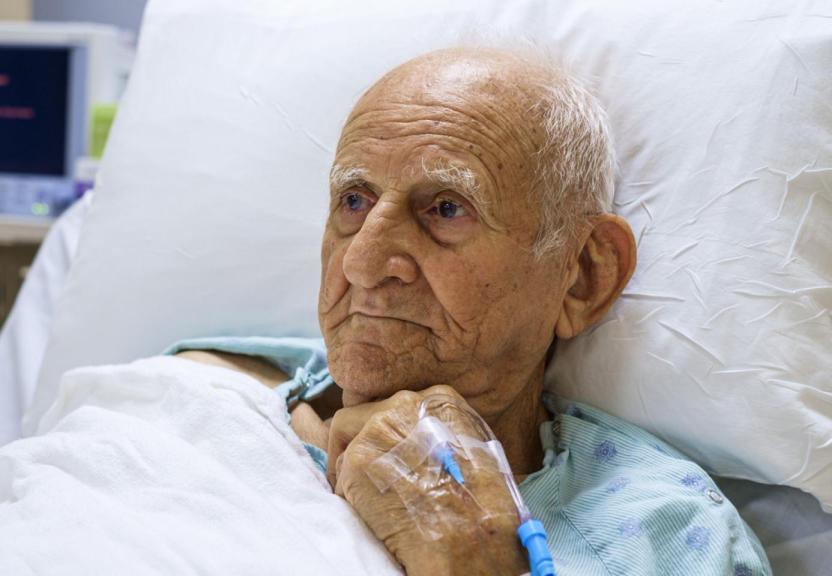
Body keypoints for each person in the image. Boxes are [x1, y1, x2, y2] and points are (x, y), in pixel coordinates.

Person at [172, 47, 772, 575]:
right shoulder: (196, 398)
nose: (363, 262)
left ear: (582, 277)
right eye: (353, 201)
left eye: (446, 209)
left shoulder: (669, 537)